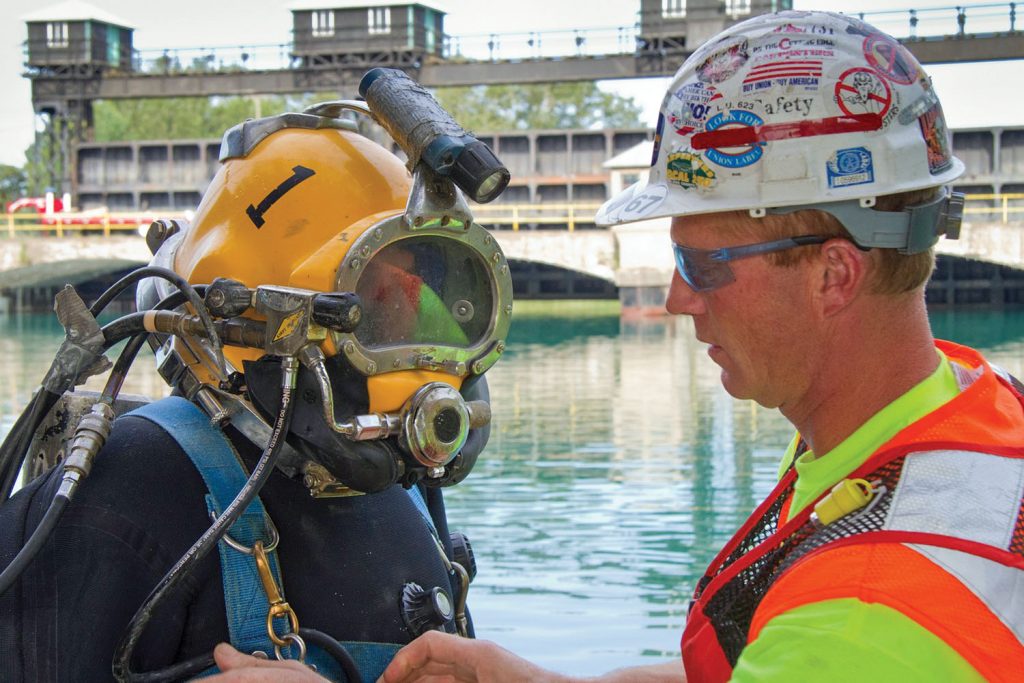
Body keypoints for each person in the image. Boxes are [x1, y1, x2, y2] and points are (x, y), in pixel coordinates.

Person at [205, 9, 1024, 683]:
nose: (674, 298)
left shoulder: (876, 611)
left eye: (701, 263)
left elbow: (833, 644)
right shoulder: (959, 412)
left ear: (833, 275)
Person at [0, 100, 512, 681]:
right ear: (266, 319)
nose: (427, 355)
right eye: (380, 306)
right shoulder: (124, 497)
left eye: (431, 298)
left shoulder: (409, 489)